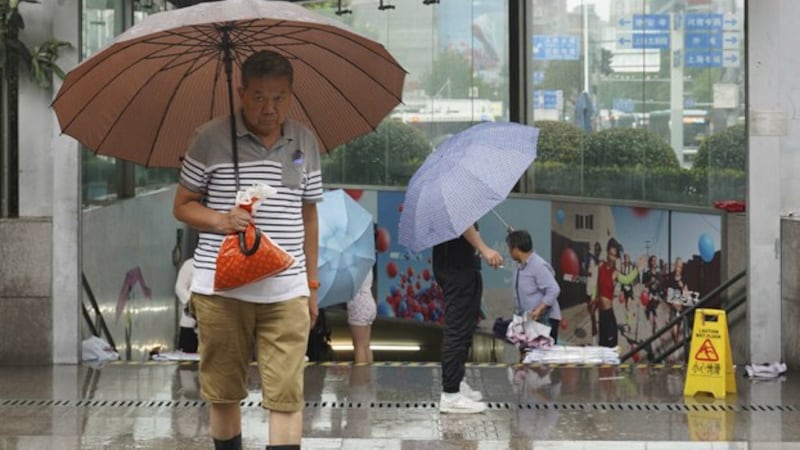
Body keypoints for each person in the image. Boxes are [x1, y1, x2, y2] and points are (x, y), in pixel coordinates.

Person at [173, 50, 322, 450]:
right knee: (223, 391)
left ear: (290, 95)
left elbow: (309, 216)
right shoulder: (208, 138)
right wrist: (222, 220)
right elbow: (182, 204)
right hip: (221, 289)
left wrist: (311, 284)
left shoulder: (303, 140)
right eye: (258, 97)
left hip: (286, 286)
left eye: (279, 97)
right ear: (240, 92)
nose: (269, 108)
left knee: (287, 394)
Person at [433, 224, 502, 414]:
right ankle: (450, 395)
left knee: (465, 329)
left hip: (463, 267)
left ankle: (457, 381)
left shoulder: (457, 198)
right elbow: (462, 222)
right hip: (457, 269)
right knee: (457, 330)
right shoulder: (455, 200)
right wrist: (484, 248)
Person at [506, 229, 561, 342]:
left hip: (544, 320)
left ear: (516, 249)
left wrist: (539, 310)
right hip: (528, 320)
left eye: (509, 247)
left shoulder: (538, 265)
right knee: (527, 356)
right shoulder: (520, 265)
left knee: (541, 357)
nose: (508, 251)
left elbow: (554, 289)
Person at [593, 238, 642, 348]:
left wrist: (637, 269)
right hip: (601, 314)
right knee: (602, 344)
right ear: (607, 252)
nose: (611, 257)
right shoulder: (600, 267)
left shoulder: (615, 272)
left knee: (611, 345)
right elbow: (596, 287)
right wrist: (593, 300)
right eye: (610, 254)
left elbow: (627, 279)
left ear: (616, 257)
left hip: (609, 314)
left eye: (614, 256)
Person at [347, 269, 376, 364]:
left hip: (357, 301)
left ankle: (360, 376)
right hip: (369, 299)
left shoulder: (353, 264)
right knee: (366, 345)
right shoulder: (366, 262)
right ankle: (368, 376)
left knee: (359, 346)